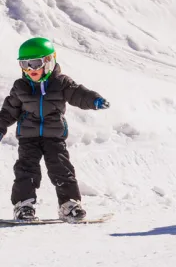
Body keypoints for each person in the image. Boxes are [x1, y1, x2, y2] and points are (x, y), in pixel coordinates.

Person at [0, 37, 110, 221]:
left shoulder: (61, 83)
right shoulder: (20, 87)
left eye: (34, 63)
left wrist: (94, 100)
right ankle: (23, 205)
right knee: (26, 170)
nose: (30, 69)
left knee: (61, 169)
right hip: (28, 137)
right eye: (24, 64)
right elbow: (8, 111)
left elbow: (78, 94)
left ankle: (69, 204)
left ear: (49, 61)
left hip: (54, 136)